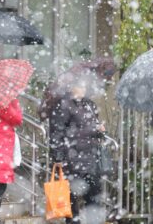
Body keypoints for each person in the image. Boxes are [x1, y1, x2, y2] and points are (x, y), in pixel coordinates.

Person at [49, 81, 106, 224]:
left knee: (93, 195)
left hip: (91, 157)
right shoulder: (64, 105)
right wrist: (58, 156)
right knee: (72, 197)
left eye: (84, 84)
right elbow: (56, 132)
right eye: (80, 84)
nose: (83, 87)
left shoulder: (90, 105)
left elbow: (92, 128)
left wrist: (99, 130)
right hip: (72, 158)